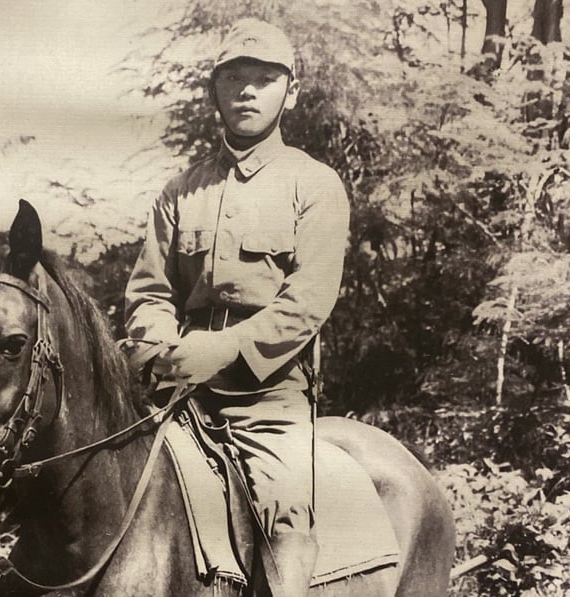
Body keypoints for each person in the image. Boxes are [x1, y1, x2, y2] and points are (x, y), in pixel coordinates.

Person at [124, 18, 349, 597]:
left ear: (290, 92)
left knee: (284, 517)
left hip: (266, 394)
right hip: (173, 387)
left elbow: (308, 300)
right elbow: (151, 292)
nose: (246, 91)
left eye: (263, 79)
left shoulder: (315, 185)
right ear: (214, 93)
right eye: (233, 79)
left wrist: (221, 350)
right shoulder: (180, 191)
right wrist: (156, 347)